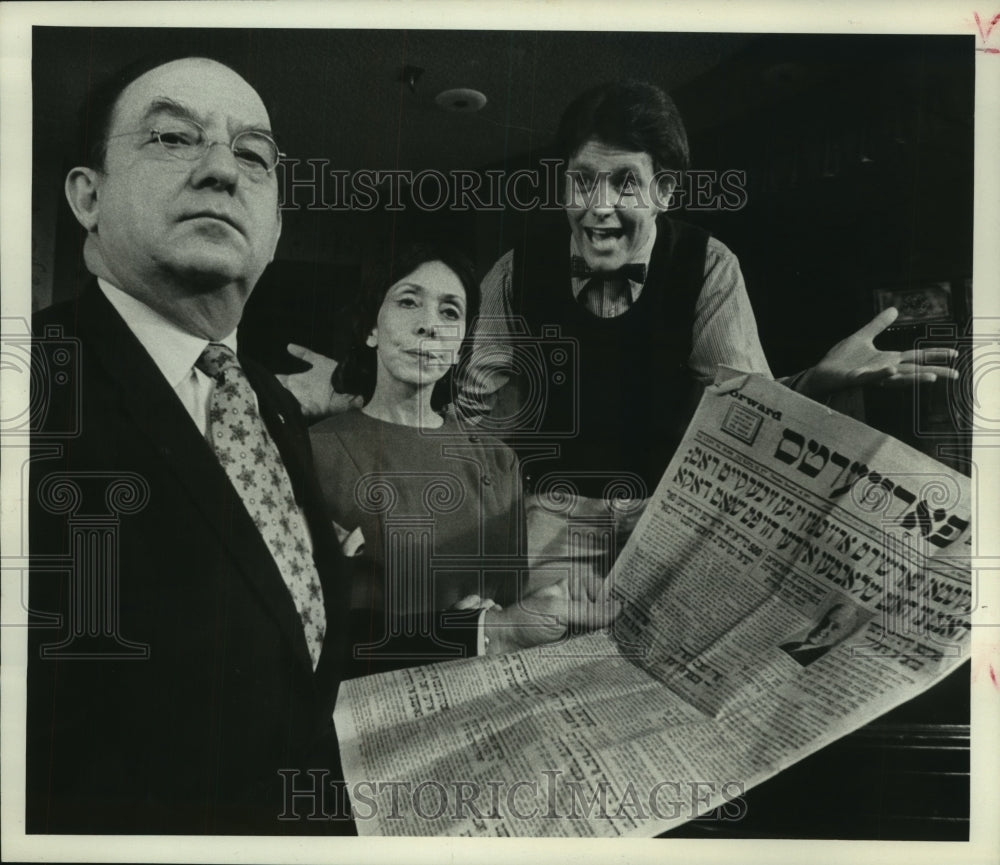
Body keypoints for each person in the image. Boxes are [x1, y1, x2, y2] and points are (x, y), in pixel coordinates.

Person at [27, 55, 617, 836]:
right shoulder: (31, 392)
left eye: (253, 155)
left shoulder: (264, 407)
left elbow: (311, 644)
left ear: (276, 226)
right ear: (87, 195)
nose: (219, 171)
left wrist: (495, 631)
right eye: (173, 136)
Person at [281, 79, 958, 577]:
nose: (599, 208)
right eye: (583, 181)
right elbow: (469, 414)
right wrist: (355, 397)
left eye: (626, 184)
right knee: (539, 666)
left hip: (670, 509)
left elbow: (740, 412)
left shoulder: (708, 264)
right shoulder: (519, 270)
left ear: (665, 190)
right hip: (553, 512)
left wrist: (819, 379)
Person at [310, 243, 527, 678]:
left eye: (450, 312)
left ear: (462, 344)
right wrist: (459, 630)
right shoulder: (313, 452)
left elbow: (513, 608)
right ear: (372, 328)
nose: (429, 326)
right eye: (409, 302)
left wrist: (491, 621)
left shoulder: (499, 462)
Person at [780, 603, 861, 667]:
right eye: (826, 621)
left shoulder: (818, 660)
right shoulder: (792, 645)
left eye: (835, 627)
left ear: (842, 635)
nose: (824, 629)